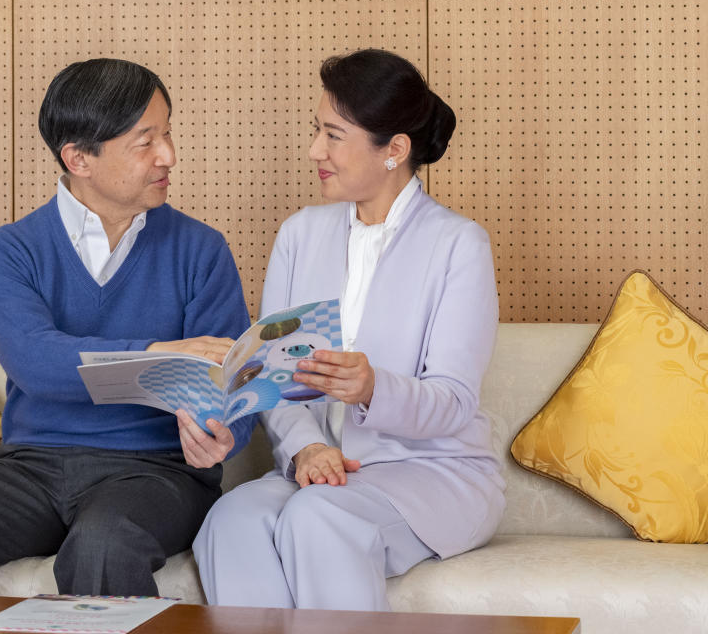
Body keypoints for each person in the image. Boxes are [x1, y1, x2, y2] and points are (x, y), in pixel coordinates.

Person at [0, 58, 256, 596]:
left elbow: (234, 380)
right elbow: (37, 363)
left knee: (104, 545)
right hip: (31, 466)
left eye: (167, 133)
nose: (168, 155)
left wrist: (221, 437)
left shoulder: (201, 249)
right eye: (145, 141)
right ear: (78, 157)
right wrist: (163, 351)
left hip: (156, 472)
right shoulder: (6, 252)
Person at [181, 48, 506, 611]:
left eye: (333, 135)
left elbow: (453, 401)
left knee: (319, 518)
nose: (315, 151)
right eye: (317, 131)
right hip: (322, 470)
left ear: (394, 150)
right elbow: (271, 378)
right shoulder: (300, 234)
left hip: (431, 473)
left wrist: (373, 387)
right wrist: (306, 447)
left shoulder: (459, 246)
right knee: (231, 520)